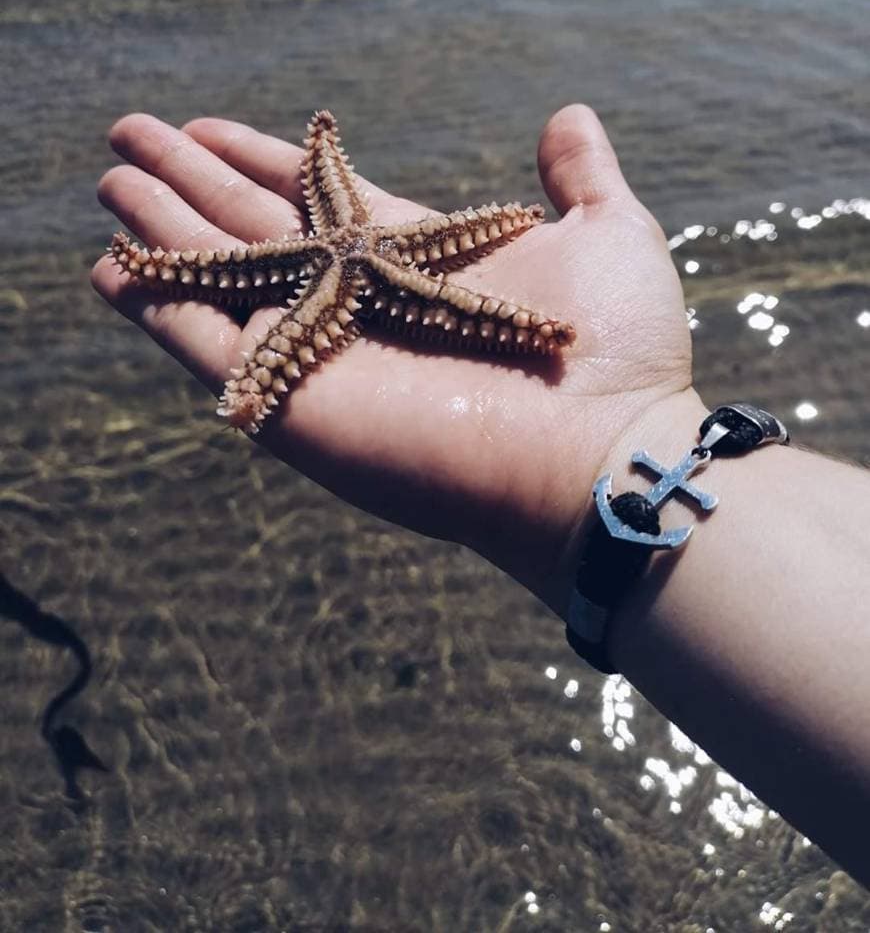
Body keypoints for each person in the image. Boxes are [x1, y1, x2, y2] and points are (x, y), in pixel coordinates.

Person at [92, 104, 870, 887]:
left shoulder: (373, 258)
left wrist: (618, 415)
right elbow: (330, 224)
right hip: (363, 270)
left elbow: (393, 267)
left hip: (371, 280)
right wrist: (635, 429)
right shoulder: (362, 252)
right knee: (214, 284)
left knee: (268, 312)